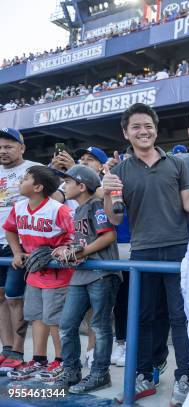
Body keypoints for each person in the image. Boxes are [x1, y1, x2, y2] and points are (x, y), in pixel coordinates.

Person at [102, 103, 189, 404]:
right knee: (142, 317)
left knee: (181, 316)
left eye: (148, 125)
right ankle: (142, 376)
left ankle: (184, 376)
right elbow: (115, 219)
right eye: (136, 127)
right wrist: (106, 192)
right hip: (142, 252)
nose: (143, 131)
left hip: (178, 248)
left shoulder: (176, 164)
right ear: (126, 132)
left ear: (156, 128)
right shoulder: (118, 172)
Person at [51, 165, 120, 393]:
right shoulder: (77, 209)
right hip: (81, 275)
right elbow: (82, 242)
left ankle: (100, 374)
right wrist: (65, 250)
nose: (64, 186)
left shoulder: (95, 205)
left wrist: (81, 252)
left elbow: (109, 235)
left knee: (100, 326)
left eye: (69, 182)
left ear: (82, 186)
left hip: (101, 274)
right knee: (67, 324)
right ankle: (71, 370)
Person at [3, 166, 74, 381]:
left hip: (58, 274)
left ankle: (62, 361)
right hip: (34, 272)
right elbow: (10, 229)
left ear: (37, 187)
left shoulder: (58, 208)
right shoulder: (19, 206)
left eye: (25, 178)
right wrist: (17, 252)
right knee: (36, 316)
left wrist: (65, 247)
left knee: (55, 320)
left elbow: (76, 234)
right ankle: (38, 358)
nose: (20, 181)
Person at [0, 128, 40, 373]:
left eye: (9, 146)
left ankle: (17, 351)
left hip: (20, 244)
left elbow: (56, 196)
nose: (3, 151)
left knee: (15, 298)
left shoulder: (34, 169)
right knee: (0, 297)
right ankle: (5, 350)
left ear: (22, 147)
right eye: (0, 147)